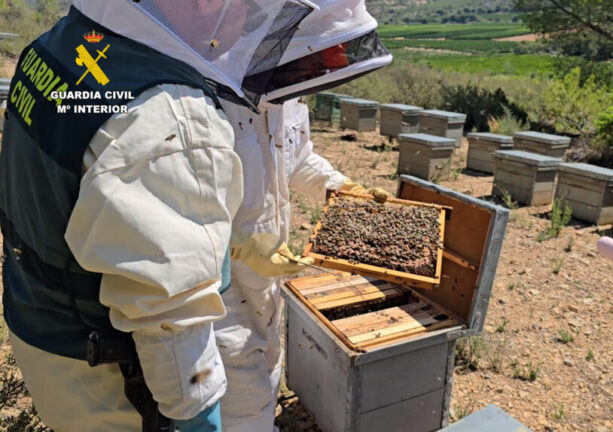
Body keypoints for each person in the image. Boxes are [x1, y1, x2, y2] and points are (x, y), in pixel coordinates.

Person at [0, 0, 303, 430]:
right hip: (111, 386)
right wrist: (201, 419)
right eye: (248, 5)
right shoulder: (174, 117)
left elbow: (86, 203)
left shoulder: (59, 45)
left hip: (44, 337)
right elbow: (173, 325)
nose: (250, 20)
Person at [217, 1, 393, 430]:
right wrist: (238, 248)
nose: (317, 67)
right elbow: (169, 214)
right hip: (216, 298)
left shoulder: (287, 93)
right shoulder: (204, 97)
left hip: (265, 285)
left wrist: (339, 186)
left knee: (266, 377)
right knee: (239, 405)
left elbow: (297, 158)